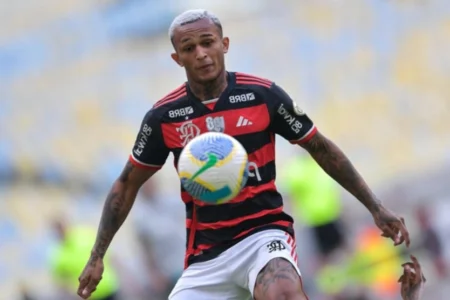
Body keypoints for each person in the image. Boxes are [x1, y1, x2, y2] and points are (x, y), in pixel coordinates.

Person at [77, 9, 410, 300]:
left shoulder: (262, 95)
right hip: (207, 255)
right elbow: (126, 184)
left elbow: (320, 148)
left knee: (282, 291)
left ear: (225, 44)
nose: (201, 54)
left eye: (208, 42)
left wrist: (376, 208)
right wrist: (97, 256)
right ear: (177, 59)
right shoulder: (164, 117)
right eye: (189, 48)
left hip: (263, 236)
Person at [50, 219, 120, 300]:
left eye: (61, 227)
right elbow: (60, 282)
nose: (61, 230)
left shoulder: (85, 235)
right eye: (57, 229)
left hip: (109, 287)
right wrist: (74, 293)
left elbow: (110, 255)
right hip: (90, 296)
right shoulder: (58, 256)